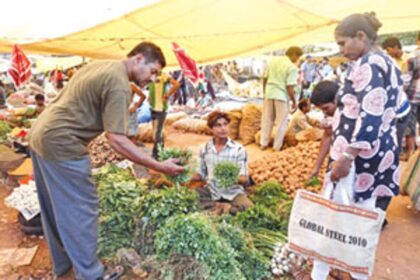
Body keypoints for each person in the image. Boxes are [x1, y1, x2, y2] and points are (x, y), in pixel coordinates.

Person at [29, 42, 184, 280]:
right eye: (152, 71)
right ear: (139, 58)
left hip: (42, 132)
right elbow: (117, 140)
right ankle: (91, 274)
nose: (152, 79)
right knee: (82, 208)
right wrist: (160, 166)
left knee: (53, 206)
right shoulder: (120, 84)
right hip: (62, 142)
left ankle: (64, 267)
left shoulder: (102, 65)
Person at [310, 12, 402, 280]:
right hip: (376, 153)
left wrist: (347, 156)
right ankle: (353, 271)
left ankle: (334, 271)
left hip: (360, 157)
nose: (341, 50)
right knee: (362, 217)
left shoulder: (370, 64)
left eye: (342, 43)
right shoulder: (384, 62)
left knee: (341, 217)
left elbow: (370, 116)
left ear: (361, 37)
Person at [191, 111, 253, 213]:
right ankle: (219, 206)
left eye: (225, 124)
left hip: (233, 193)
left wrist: (229, 179)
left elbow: (244, 178)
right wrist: (183, 174)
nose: (223, 128)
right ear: (211, 129)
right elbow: (200, 174)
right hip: (212, 191)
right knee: (190, 198)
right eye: (218, 125)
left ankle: (223, 208)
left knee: (249, 209)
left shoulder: (238, 149)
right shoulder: (205, 149)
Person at [260, 46, 303, 151]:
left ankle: (263, 144)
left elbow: (264, 79)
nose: (297, 60)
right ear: (293, 54)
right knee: (281, 122)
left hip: (269, 93)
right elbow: (290, 86)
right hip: (281, 96)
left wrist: (265, 92)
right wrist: (294, 101)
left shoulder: (273, 61)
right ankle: (276, 147)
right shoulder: (292, 67)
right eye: (297, 57)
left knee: (266, 119)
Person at [308, 81, 339, 178]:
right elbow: (327, 135)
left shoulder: (351, 112)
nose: (325, 113)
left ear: (336, 99)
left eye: (326, 108)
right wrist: (316, 167)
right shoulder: (329, 117)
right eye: (321, 110)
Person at [148, 71, 180, 159]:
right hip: (153, 108)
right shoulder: (150, 76)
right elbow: (151, 88)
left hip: (161, 108)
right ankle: (161, 153)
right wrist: (149, 97)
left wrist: (167, 95)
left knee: (157, 134)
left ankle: (156, 155)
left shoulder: (164, 75)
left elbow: (176, 84)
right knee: (157, 132)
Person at [404, 32, 420, 159]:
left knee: (410, 126)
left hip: (413, 96)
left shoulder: (412, 57)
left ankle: (411, 153)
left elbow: (406, 80)